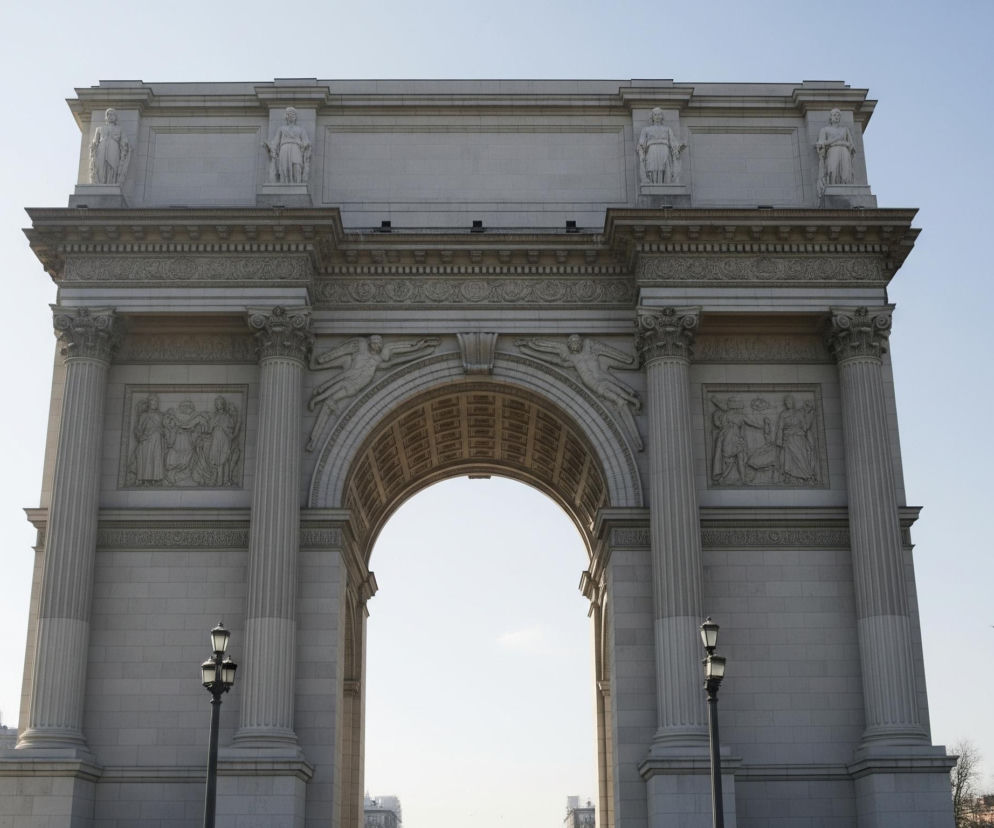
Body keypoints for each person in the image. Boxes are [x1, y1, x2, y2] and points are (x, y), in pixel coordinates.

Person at [307, 335, 440, 450]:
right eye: (375, 343)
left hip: (354, 386)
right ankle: (314, 438)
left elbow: (397, 361)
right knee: (330, 398)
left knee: (332, 397)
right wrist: (319, 364)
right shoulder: (357, 354)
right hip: (348, 380)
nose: (377, 345)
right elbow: (340, 371)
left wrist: (423, 352)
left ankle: (315, 424)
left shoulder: (379, 361)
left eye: (379, 343)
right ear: (370, 343)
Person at [515, 334, 643, 450]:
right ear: (569, 346)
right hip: (595, 386)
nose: (574, 343)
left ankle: (635, 422)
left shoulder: (590, 351)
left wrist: (628, 361)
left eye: (576, 341)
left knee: (620, 397)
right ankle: (637, 436)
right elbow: (551, 358)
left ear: (581, 343)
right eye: (571, 342)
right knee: (618, 399)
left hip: (603, 379)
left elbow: (612, 359)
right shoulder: (571, 359)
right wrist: (527, 350)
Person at [637, 107, 685, 185]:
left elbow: (673, 142)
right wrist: (641, 152)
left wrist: (679, 147)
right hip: (652, 150)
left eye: (659, 114)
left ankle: (664, 184)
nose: (657, 116)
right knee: (652, 168)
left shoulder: (667, 129)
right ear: (652, 117)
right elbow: (641, 143)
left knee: (665, 168)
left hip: (664, 150)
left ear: (662, 116)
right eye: (655, 115)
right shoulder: (646, 129)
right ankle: (653, 184)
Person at [264, 107, 311, 184]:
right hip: (284, 149)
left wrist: (306, 145)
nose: (291, 116)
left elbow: (306, 141)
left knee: (296, 165)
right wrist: (270, 147)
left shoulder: (300, 129)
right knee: (284, 167)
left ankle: (297, 183)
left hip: (296, 149)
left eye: (293, 114)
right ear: (286, 116)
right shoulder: (282, 129)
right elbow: (276, 141)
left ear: (295, 117)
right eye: (289, 114)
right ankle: (285, 183)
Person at [815, 108, 856, 196]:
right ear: (830, 117)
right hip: (832, 151)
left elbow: (851, 144)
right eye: (834, 115)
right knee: (832, 170)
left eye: (838, 115)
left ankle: (845, 189)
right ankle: (831, 187)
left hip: (844, 151)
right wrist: (833, 141)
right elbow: (821, 143)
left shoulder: (845, 130)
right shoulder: (825, 130)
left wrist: (847, 145)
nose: (836, 117)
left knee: (845, 172)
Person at [89, 108, 131, 185]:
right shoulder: (99, 129)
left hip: (114, 148)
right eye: (108, 114)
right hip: (101, 148)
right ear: (106, 116)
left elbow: (124, 142)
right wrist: (93, 147)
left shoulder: (120, 129)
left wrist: (125, 146)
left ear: (115, 117)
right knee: (101, 166)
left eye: (112, 114)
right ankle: (101, 183)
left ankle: (111, 183)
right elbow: (95, 141)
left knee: (112, 166)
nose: (110, 116)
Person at [133, 394, 165, 486]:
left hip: (158, 440)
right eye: (153, 401)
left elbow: (166, 429)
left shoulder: (161, 415)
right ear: (149, 403)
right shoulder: (144, 415)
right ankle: (145, 479)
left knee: (156, 459)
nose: (155, 403)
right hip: (146, 441)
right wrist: (140, 436)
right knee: (147, 460)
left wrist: (162, 431)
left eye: (156, 401)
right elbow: (138, 429)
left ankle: (156, 479)